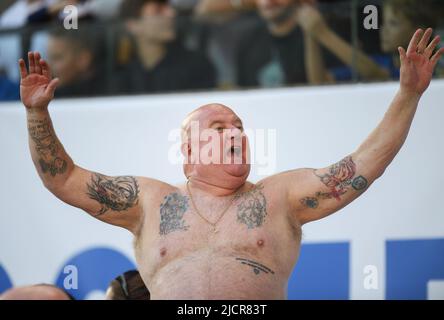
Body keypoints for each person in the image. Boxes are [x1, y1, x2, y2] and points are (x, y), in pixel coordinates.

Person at [18, 28, 443, 299]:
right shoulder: (150, 202)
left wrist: (408, 95)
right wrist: (37, 114)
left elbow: (363, 166)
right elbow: (65, 179)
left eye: (238, 125)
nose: (234, 132)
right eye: (218, 127)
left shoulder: (279, 197)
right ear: (187, 153)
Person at [116, 0, 216, 94]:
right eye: (158, 10)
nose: (171, 13)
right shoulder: (119, 72)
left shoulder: (197, 64)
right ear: (132, 25)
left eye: (169, 8)